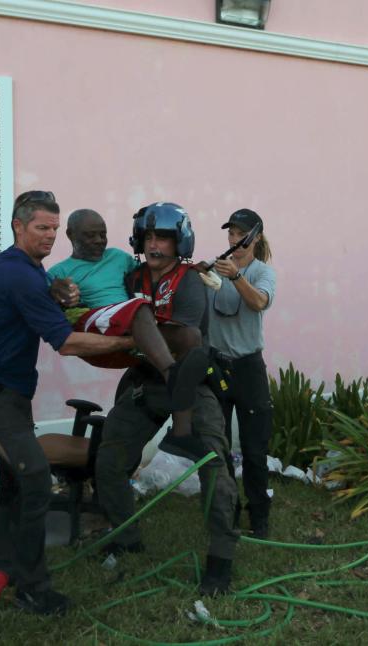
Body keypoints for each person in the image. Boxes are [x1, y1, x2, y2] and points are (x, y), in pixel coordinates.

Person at [0, 190, 136, 616]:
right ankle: (33, 588)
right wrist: (131, 342)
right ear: (18, 226)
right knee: (35, 479)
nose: (50, 237)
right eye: (42, 228)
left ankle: (0, 568)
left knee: (14, 482)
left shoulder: (22, 266)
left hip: (12, 394)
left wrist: (55, 291)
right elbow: (66, 342)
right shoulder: (20, 274)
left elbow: (40, 302)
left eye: (55, 229)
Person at [94, 202, 239, 596]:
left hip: (191, 385)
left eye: (164, 238)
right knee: (108, 459)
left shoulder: (190, 280)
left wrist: (134, 335)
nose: (155, 245)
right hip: (145, 382)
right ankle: (126, 538)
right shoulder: (130, 276)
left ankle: (221, 559)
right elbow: (102, 311)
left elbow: (185, 339)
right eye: (149, 237)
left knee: (214, 466)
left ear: (180, 243)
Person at [48, 208, 209, 460]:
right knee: (138, 308)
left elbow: (152, 269)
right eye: (90, 235)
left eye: (103, 234)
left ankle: (181, 433)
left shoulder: (118, 258)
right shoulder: (59, 272)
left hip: (133, 331)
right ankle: (173, 375)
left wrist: (187, 267)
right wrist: (56, 293)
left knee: (189, 337)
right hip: (95, 321)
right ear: (70, 235)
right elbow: (42, 302)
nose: (99, 241)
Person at [206, 208, 277, 539]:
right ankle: (226, 511)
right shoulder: (216, 268)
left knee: (254, 448)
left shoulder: (263, 272)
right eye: (230, 233)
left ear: (255, 237)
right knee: (218, 447)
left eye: (240, 234)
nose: (234, 240)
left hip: (249, 368)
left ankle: (259, 516)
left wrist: (236, 276)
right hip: (216, 366)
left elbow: (259, 302)